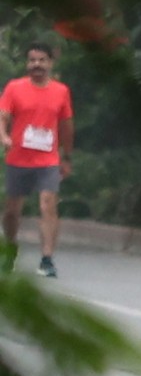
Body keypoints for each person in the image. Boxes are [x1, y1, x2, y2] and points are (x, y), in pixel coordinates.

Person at [2, 38, 74, 276]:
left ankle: (47, 259)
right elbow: (3, 115)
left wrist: (67, 156)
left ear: (50, 63)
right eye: (32, 60)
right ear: (27, 63)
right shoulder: (14, 88)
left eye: (42, 60)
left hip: (48, 160)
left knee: (48, 205)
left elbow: (66, 126)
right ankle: (10, 250)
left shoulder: (61, 91)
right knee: (12, 211)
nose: (37, 65)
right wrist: (4, 136)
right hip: (18, 158)